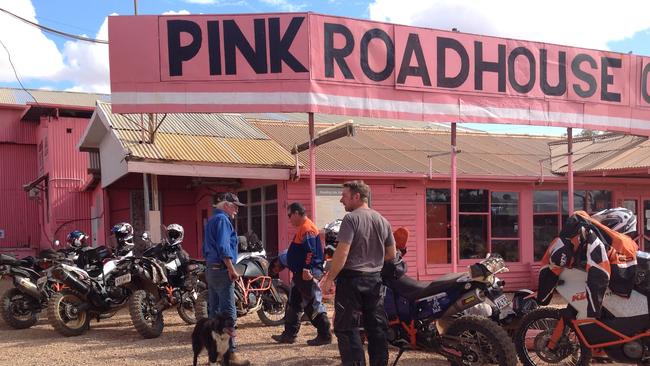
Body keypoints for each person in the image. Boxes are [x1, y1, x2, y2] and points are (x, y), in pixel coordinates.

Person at [322, 180, 396, 366]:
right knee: (376, 328)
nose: (341, 200)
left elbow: (342, 253)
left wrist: (329, 279)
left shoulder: (351, 219)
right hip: (374, 280)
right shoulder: (382, 219)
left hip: (352, 280)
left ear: (356, 196)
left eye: (344, 196)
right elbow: (391, 254)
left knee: (347, 328)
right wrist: (372, 260)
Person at [537, 208, 638, 318]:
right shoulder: (618, 243)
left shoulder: (587, 237)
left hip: (620, 288)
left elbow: (599, 274)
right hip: (622, 286)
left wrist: (593, 310)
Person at [271, 202, 332, 346]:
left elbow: (310, 251)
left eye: (289, 215)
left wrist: (306, 269)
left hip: (306, 274)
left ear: (297, 213)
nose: (289, 218)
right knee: (293, 304)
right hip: (299, 273)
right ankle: (289, 335)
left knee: (312, 304)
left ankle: (325, 334)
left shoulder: (307, 228)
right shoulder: (303, 228)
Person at [202, 192, 250, 366]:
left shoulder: (212, 220)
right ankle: (230, 356)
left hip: (211, 269)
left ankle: (214, 356)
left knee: (214, 314)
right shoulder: (223, 220)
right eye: (235, 206)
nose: (237, 210)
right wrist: (231, 268)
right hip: (222, 270)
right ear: (226, 205)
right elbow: (223, 247)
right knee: (228, 314)